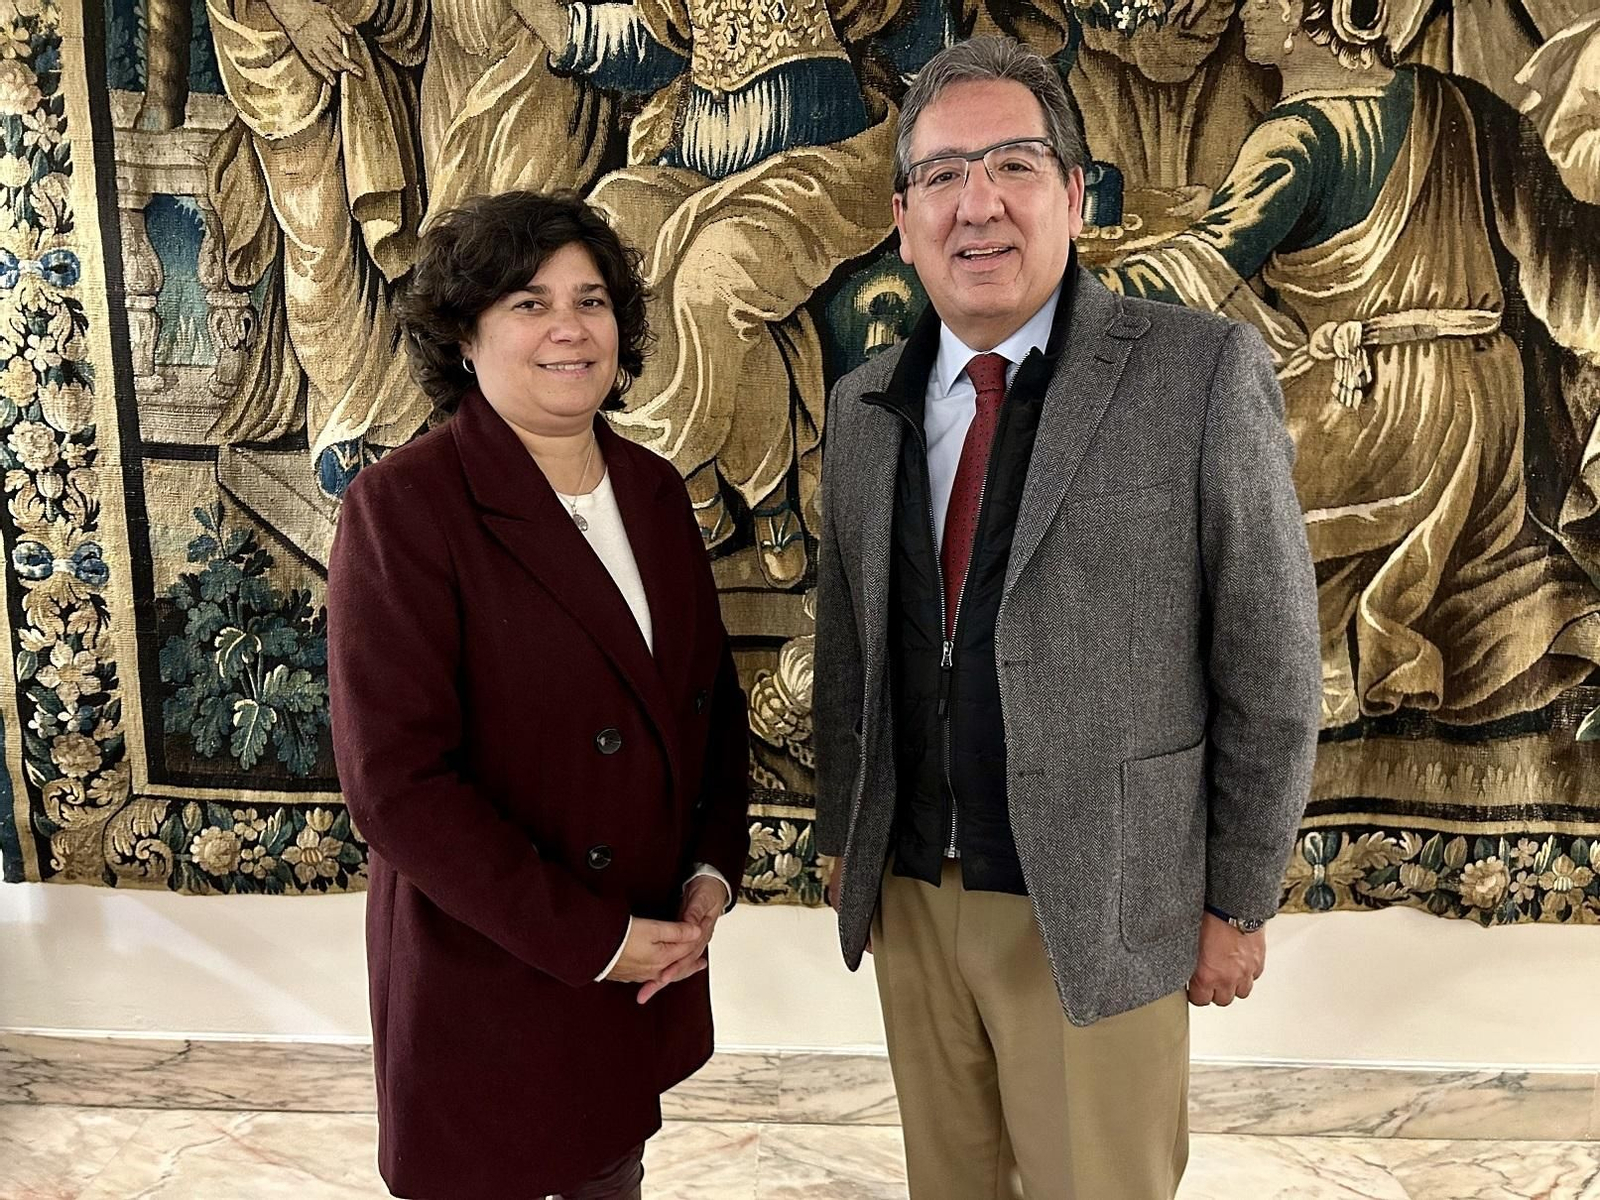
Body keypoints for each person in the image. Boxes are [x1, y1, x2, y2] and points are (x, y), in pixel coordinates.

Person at [812, 35, 1321, 1200]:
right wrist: (849, 833)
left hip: (1101, 901)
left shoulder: (1198, 375)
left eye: (1013, 165)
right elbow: (850, 638)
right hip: (913, 900)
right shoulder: (863, 402)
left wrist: (1236, 900)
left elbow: (1273, 662)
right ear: (901, 216)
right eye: (941, 175)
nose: (975, 204)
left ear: (1076, 196)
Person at [327, 190, 751, 1200]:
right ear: (464, 336)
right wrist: (590, 940)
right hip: (491, 977)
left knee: (608, 1174)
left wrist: (710, 869)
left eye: (591, 299)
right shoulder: (403, 509)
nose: (569, 327)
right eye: (528, 301)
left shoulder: (653, 489)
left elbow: (707, 708)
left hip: (637, 961)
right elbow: (397, 787)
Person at [1100, 0, 1600, 727]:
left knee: (1174, 489)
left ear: (1321, 13)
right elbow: (1563, 265)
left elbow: (1202, 271)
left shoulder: (1294, 137)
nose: (1244, 15)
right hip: (1488, 413)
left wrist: (1081, 288)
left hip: (1377, 409)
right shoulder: (1459, 104)